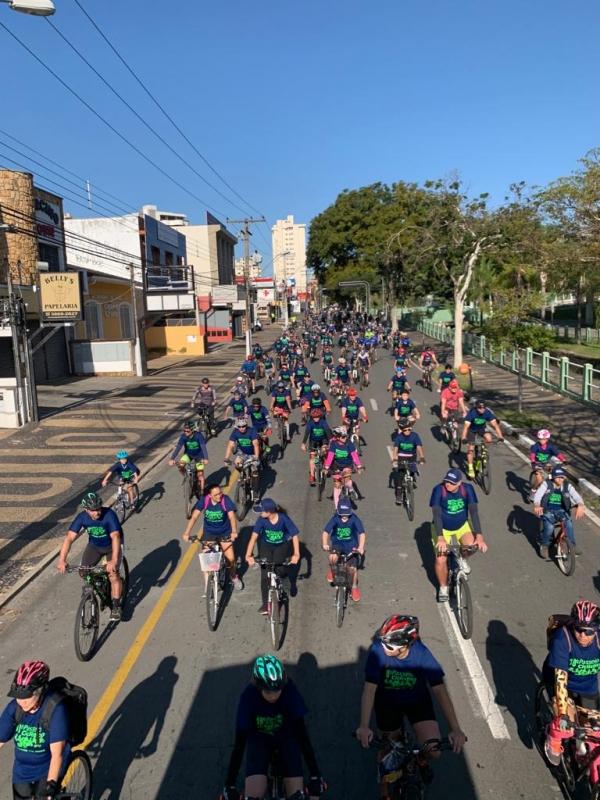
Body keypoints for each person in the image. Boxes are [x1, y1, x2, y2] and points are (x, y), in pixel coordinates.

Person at [356, 615, 467, 796]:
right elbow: (369, 690)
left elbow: (440, 691)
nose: (384, 648)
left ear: (407, 645)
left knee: (434, 751)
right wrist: (364, 725)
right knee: (387, 753)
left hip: (417, 702)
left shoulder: (422, 654)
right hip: (388, 703)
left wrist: (455, 728)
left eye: (389, 646)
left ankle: (420, 760)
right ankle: (384, 792)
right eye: (382, 642)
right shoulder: (377, 650)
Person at [222, 655, 324, 800]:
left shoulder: (289, 690)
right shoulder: (248, 698)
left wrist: (315, 775)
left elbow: (302, 735)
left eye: (278, 690)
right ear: (258, 686)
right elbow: (239, 745)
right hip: (259, 740)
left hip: (287, 737)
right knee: (251, 796)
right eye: (269, 692)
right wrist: (229, 785)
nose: (274, 695)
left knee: (304, 796)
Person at [0, 662, 69, 800]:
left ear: (40, 691)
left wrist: (51, 785)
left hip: (47, 769)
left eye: (27, 696)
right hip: (21, 772)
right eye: (18, 696)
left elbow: (57, 755)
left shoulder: (55, 709)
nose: (22, 701)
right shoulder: (15, 707)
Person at [542, 600, 600, 766]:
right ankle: (553, 736)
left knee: (593, 731)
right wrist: (563, 715)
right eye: (578, 629)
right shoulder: (562, 639)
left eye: (588, 631)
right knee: (565, 724)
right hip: (561, 683)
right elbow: (560, 680)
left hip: (587, 687)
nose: (583, 635)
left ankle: (580, 749)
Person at [57, 492, 124, 621]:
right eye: (93, 510)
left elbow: (115, 537)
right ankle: (99, 585)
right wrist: (62, 560)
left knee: (113, 574)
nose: (97, 513)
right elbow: (69, 538)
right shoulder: (82, 517)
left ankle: (116, 605)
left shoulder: (109, 515)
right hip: (94, 546)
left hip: (112, 546)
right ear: (86, 510)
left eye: (98, 509)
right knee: (83, 571)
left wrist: (114, 561)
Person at [429, 469, 487, 603]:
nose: (448, 484)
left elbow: (474, 513)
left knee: (472, 545)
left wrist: (479, 536)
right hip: (442, 529)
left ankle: (462, 558)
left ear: (459, 483)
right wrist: (440, 537)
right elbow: (436, 515)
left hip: (462, 527)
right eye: (446, 481)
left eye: (452, 483)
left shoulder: (467, 490)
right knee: (441, 559)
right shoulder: (439, 490)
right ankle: (443, 587)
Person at [181, 483, 243, 592]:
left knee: (231, 559)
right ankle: (208, 585)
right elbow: (195, 516)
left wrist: (233, 531)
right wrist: (187, 532)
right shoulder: (205, 500)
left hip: (224, 532)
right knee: (206, 560)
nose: (219, 496)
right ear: (210, 496)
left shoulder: (225, 500)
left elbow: (231, 516)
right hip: (209, 533)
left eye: (220, 493)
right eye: (216, 495)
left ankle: (233, 576)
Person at [245, 499, 301, 614]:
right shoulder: (261, 520)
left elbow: (294, 535)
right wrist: (248, 555)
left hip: (281, 546)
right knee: (265, 575)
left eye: (262, 511)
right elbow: (253, 537)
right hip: (266, 546)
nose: (260, 513)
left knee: (279, 567)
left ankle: (285, 579)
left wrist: (296, 554)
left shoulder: (283, 519)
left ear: (269, 511)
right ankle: (266, 604)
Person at [533, 465, 585, 558]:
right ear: (553, 477)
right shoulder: (546, 484)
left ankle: (572, 545)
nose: (561, 479)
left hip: (562, 510)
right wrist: (537, 505)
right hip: (547, 510)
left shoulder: (567, 485)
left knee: (568, 524)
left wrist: (580, 504)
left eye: (562, 477)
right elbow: (538, 495)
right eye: (558, 477)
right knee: (549, 527)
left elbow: (576, 496)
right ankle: (544, 545)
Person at [322, 497, 366, 602]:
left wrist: (361, 547)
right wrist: (325, 543)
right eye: (342, 514)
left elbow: (362, 533)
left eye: (347, 514)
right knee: (333, 557)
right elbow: (326, 532)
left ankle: (354, 587)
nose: (344, 516)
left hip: (351, 546)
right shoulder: (335, 518)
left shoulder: (354, 519)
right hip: (338, 544)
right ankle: (332, 570)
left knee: (352, 569)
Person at [461, 400, 504, 478]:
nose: (482, 409)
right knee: (471, 449)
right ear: (476, 408)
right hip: (471, 431)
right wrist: (463, 438)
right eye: (480, 408)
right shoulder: (472, 413)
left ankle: (483, 452)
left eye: (483, 408)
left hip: (481, 429)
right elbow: (466, 427)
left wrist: (500, 436)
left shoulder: (487, 413)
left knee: (489, 438)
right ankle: (470, 468)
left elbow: (495, 425)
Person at [323, 426, 364, 508]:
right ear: (337, 437)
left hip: (347, 465)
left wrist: (359, 466)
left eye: (346, 436)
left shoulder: (349, 444)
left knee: (346, 480)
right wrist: (326, 468)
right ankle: (336, 508)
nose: (345, 438)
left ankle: (351, 490)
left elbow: (354, 456)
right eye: (343, 437)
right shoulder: (333, 445)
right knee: (337, 486)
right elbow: (330, 457)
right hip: (336, 466)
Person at [169, 421, 208, 495]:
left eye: (188, 431)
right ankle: (186, 477)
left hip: (199, 456)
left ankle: (202, 492)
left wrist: (206, 458)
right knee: (180, 466)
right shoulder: (183, 436)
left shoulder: (198, 436)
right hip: (188, 455)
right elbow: (178, 447)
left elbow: (203, 447)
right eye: (184, 430)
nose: (185, 432)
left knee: (200, 477)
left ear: (192, 430)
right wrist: (172, 459)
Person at [391, 421, 425, 495]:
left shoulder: (415, 436)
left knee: (412, 469)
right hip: (402, 456)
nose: (407, 431)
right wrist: (394, 459)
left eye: (409, 429)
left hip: (412, 456)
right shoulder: (399, 437)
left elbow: (419, 447)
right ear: (402, 431)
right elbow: (396, 448)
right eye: (405, 430)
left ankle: (412, 477)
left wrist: (422, 457)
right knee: (400, 474)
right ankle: (399, 493)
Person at [301, 408, 333, 486]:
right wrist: (303, 444)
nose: (316, 419)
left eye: (317, 417)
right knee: (312, 458)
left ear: (320, 416)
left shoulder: (323, 422)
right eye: (314, 417)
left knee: (325, 450)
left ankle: (326, 463)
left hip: (323, 440)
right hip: (313, 441)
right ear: (312, 417)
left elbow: (328, 432)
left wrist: (331, 441)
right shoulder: (310, 423)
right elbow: (307, 433)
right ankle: (312, 475)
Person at [529, 429, 564, 493]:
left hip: (546, 463)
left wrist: (563, 460)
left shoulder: (551, 447)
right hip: (536, 463)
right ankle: (533, 489)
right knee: (539, 479)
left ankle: (548, 487)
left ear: (547, 439)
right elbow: (532, 454)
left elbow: (558, 454)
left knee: (553, 475)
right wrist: (533, 460)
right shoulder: (536, 446)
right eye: (539, 439)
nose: (541, 441)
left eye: (543, 439)